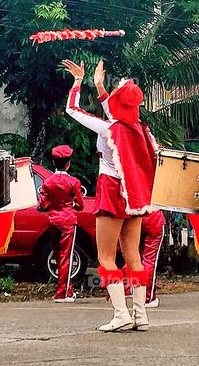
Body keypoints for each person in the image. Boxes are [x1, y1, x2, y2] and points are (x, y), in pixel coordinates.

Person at [63, 59, 157, 333]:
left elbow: (72, 109)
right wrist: (100, 87)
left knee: (105, 256)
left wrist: (78, 82)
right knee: (133, 257)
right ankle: (140, 315)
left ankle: (120, 313)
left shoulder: (108, 129)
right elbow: (117, 112)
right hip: (135, 194)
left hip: (111, 189)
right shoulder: (141, 129)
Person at [37, 144, 85, 303]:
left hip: (53, 220)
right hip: (67, 221)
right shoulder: (74, 182)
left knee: (58, 255)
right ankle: (64, 292)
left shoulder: (48, 182)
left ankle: (64, 291)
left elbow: (43, 205)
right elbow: (80, 205)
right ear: (68, 163)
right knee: (67, 256)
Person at [140, 209, 166, 307]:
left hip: (136, 215)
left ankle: (129, 290)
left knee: (133, 256)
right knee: (149, 260)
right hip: (154, 217)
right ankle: (148, 297)